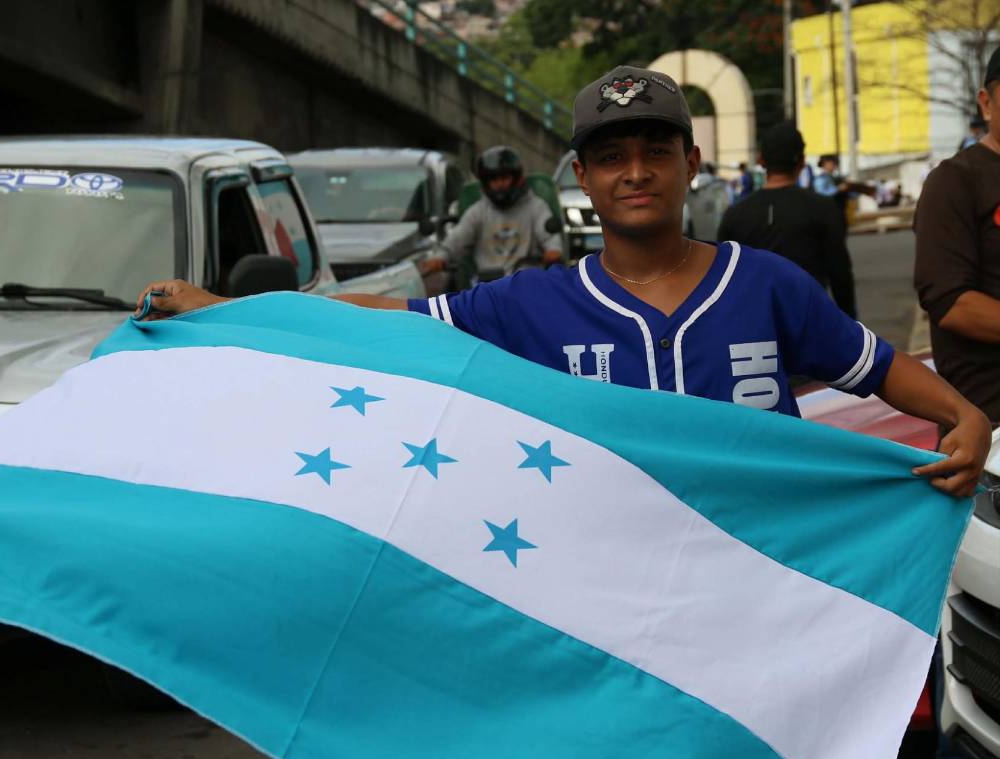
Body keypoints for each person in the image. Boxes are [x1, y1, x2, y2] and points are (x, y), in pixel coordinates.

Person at [139, 65, 990, 499]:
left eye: (657, 150)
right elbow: (380, 320)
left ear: (692, 162)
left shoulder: (764, 285)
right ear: (580, 175)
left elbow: (875, 366)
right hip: (609, 596)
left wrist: (960, 411)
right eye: (612, 156)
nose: (636, 171)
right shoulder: (528, 303)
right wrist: (225, 309)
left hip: (761, 582)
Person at [913, 45, 1000, 759]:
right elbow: (953, 303)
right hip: (988, 436)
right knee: (973, 635)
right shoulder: (957, 181)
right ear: (986, 99)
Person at [717, 122, 858, 318]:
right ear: (802, 161)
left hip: (756, 328)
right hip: (810, 322)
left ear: (761, 160)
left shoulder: (735, 214)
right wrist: (850, 325)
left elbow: (723, 280)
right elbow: (840, 274)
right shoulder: (823, 208)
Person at [418, 145, 563, 289]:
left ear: (517, 178)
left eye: (504, 178)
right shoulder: (478, 211)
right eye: (493, 179)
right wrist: (439, 258)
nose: (499, 184)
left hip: (525, 286)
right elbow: (457, 238)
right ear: (485, 183)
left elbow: (549, 236)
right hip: (486, 288)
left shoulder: (536, 207)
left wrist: (553, 251)